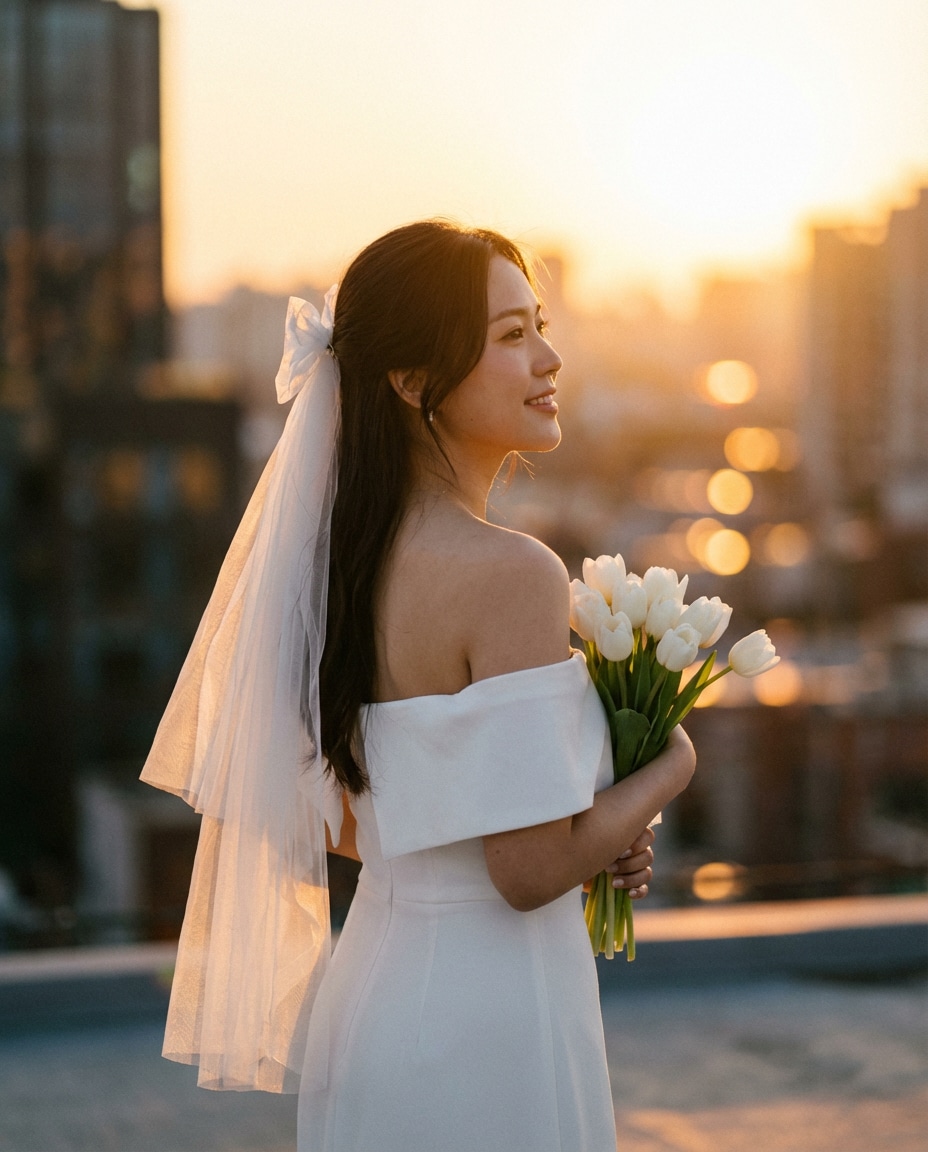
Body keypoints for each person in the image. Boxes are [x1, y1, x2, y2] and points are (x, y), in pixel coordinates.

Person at [142, 220, 696, 1152]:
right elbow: (525, 874)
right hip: (487, 1014)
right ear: (410, 380)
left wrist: (593, 834)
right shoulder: (513, 574)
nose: (550, 357)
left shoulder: (338, 567)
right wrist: (668, 765)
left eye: (541, 326)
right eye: (512, 335)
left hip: (379, 994)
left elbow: (352, 821)